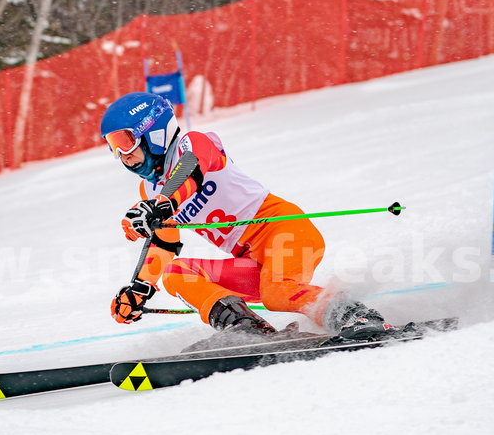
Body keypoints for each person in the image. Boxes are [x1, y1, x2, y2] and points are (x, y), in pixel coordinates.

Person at [101, 91, 390, 339]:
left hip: (286, 232)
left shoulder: (193, 142)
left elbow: (191, 168)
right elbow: (163, 244)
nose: (122, 155)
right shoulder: (150, 189)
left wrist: (163, 202)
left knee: (277, 292)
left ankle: (357, 316)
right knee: (175, 273)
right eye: (113, 146)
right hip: (252, 262)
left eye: (125, 141)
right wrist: (138, 289)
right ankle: (245, 327)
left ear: (153, 132)